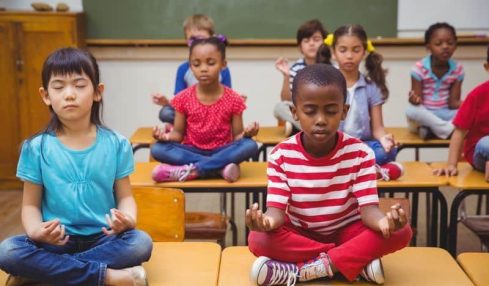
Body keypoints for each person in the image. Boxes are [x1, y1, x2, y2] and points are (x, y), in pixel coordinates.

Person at [246, 64, 412, 286]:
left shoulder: (360, 153)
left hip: (347, 231)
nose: (321, 119)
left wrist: (384, 223)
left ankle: (303, 271)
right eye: (310, 111)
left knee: (402, 232)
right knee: (257, 239)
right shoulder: (281, 155)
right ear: (295, 113)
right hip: (301, 234)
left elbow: (369, 211)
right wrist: (265, 222)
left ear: (344, 111)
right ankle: (352, 262)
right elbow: (276, 214)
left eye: (331, 111)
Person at [0, 48, 152, 285]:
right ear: (46, 95)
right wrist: (36, 231)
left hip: (104, 239)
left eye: (79, 85)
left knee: (140, 243)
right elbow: (30, 205)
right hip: (55, 242)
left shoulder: (116, 143)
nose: (69, 94)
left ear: (97, 92)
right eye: (59, 87)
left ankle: (45, 273)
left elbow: (125, 197)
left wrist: (128, 219)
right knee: (8, 251)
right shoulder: (35, 147)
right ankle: (107, 277)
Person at [150, 37, 258, 182]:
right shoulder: (183, 98)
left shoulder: (234, 99)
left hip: (223, 149)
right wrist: (164, 137)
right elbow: (177, 134)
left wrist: (247, 134)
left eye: (211, 63)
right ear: (190, 66)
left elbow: (237, 136)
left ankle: (194, 170)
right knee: (157, 148)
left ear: (223, 65)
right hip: (192, 150)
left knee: (250, 145)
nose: (203, 69)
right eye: (196, 64)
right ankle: (219, 168)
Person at [320, 24, 403, 179]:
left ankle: (353, 170)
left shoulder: (372, 87)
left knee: (388, 151)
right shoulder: (325, 85)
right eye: (343, 50)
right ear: (333, 52)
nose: (350, 56)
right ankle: (375, 171)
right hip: (334, 146)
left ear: (364, 52)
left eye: (356, 50)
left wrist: (385, 140)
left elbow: (378, 128)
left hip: (363, 146)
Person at [151, 14, 232, 126]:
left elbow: (228, 99)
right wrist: (167, 102)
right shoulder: (183, 69)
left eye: (201, 39)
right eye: (192, 40)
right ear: (186, 42)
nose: (197, 44)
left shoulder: (221, 69)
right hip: (189, 112)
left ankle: (194, 128)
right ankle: (191, 129)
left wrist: (236, 100)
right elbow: (180, 102)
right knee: (165, 113)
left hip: (214, 111)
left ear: (212, 38)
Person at [433, 44, 489, 181]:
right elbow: (459, 132)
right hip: (480, 151)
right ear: (487, 68)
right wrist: (452, 164)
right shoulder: (477, 95)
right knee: (486, 143)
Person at [406, 22, 464, 140]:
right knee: (411, 110)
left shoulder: (458, 70)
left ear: (456, 46)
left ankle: (431, 131)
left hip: (445, 114)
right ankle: (448, 131)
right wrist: (414, 100)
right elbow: (418, 102)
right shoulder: (419, 68)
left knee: (466, 112)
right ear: (428, 47)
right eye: (438, 43)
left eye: (450, 43)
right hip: (425, 114)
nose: (445, 46)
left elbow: (453, 103)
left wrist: (469, 105)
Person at [274, 19, 327, 135]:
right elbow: (287, 100)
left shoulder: (332, 67)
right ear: (300, 47)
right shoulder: (295, 69)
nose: (312, 44)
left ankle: (298, 129)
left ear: (325, 42)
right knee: (279, 107)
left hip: (326, 112)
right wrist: (287, 76)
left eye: (316, 39)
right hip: (306, 112)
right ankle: (311, 129)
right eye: (306, 40)